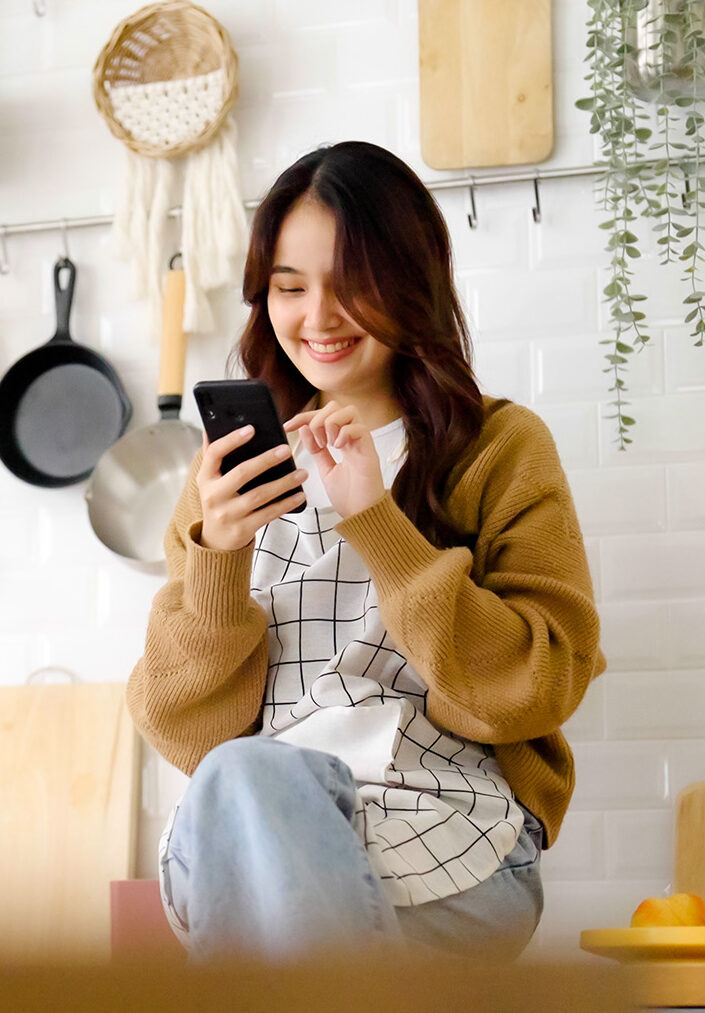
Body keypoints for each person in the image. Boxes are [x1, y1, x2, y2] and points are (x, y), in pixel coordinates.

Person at [127, 141, 605, 963]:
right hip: (251, 832)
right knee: (244, 776)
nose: (319, 317)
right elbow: (186, 732)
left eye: (352, 283)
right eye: (289, 287)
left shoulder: (496, 448)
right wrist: (218, 558)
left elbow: (535, 687)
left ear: (410, 280)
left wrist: (376, 520)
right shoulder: (229, 474)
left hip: (449, 836)